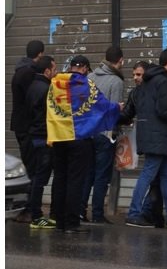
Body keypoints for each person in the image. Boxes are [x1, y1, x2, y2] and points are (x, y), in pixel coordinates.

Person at [47, 55, 121, 234]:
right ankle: (72, 222)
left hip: (58, 138)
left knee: (60, 178)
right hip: (79, 139)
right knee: (75, 180)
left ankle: (58, 219)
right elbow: (100, 105)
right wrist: (117, 107)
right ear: (85, 69)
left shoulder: (55, 83)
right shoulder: (85, 84)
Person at [125, 49, 167, 230]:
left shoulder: (147, 82)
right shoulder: (163, 82)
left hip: (153, 134)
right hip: (158, 135)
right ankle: (133, 214)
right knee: (148, 173)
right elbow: (163, 111)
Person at [81, 46, 126, 224]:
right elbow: (114, 110)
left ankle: (80, 210)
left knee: (88, 173)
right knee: (101, 175)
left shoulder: (90, 77)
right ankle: (98, 214)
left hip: (87, 132)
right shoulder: (116, 82)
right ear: (120, 60)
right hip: (105, 134)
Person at [11, 39, 46, 197]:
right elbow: (32, 100)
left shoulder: (20, 70)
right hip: (27, 127)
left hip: (20, 125)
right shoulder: (29, 73)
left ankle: (27, 205)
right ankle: (28, 207)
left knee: (29, 163)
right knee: (32, 166)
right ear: (40, 54)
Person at [25, 56, 56, 229]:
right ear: (47, 71)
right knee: (40, 178)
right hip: (43, 137)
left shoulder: (32, 87)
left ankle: (33, 212)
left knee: (35, 176)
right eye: (54, 69)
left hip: (34, 136)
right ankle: (36, 216)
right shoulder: (46, 89)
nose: (56, 72)